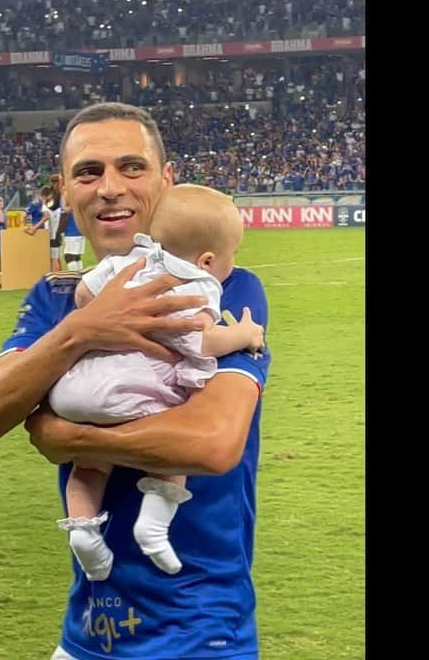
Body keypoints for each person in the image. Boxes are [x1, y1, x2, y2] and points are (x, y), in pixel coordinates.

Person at [0, 102, 271, 660]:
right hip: (85, 634)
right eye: (89, 172)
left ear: (167, 180)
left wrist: (72, 438)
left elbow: (210, 444)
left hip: (199, 634)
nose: (110, 187)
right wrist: (83, 329)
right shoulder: (56, 297)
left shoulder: (226, 288)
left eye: (132, 167)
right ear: (66, 189)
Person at [49, 184, 265, 581]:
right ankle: (154, 525)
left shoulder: (128, 260)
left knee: (89, 467)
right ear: (207, 260)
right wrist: (245, 335)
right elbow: (200, 340)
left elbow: (82, 293)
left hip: (78, 387)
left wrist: (101, 320)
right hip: (137, 391)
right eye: (230, 259)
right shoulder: (197, 285)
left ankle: (82, 531)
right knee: (176, 450)